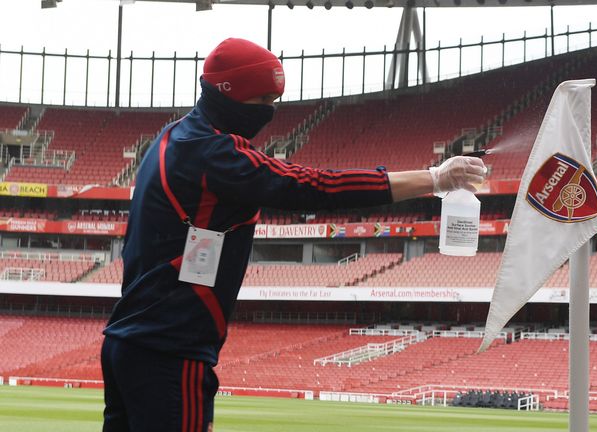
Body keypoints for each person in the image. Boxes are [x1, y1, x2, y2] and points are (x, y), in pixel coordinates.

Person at [100, 37, 486, 432]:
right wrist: (435, 178)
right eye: (262, 99)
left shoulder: (172, 137)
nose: (269, 111)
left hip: (127, 341)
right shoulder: (213, 153)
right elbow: (313, 186)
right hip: (169, 351)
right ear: (228, 95)